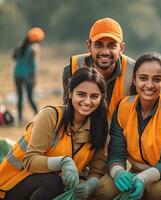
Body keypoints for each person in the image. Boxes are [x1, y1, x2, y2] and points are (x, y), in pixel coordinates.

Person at [96, 52, 161, 200]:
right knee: (104, 187)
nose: (149, 85)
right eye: (143, 78)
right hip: (135, 173)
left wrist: (143, 178)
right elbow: (116, 151)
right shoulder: (123, 106)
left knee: (158, 190)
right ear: (134, 80)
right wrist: (118, 172)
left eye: (156, 79)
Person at [0, 68, 108, 200]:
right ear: (70, 93)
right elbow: (30, 160)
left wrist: (90, 185)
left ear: (102, 98)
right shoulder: (52, 116)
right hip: (12, 183)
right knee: (53, 182)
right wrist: (64, 162)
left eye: (94, 96)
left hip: (52, 188)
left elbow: (97, 170)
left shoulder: (100, 128)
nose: (87, 101)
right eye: (81, 94)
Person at [62, 17, 135, 120]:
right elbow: (68, 111)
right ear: (89, 45)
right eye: (98, 45)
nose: (105, 52)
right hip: (82, 133)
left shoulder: (135, 72)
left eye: (111, 46)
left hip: (122, 133)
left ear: (121, 48)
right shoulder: (71, 70)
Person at [12, 27, 45, 123]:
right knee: (30, 97)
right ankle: (39, 116)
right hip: (27, 75)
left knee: (20, 96)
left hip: (17, 73)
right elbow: (34, 66)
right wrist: (35, 79)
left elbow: (14, 57)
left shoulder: (19, 45)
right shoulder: (34, 48)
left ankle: (20, 118)